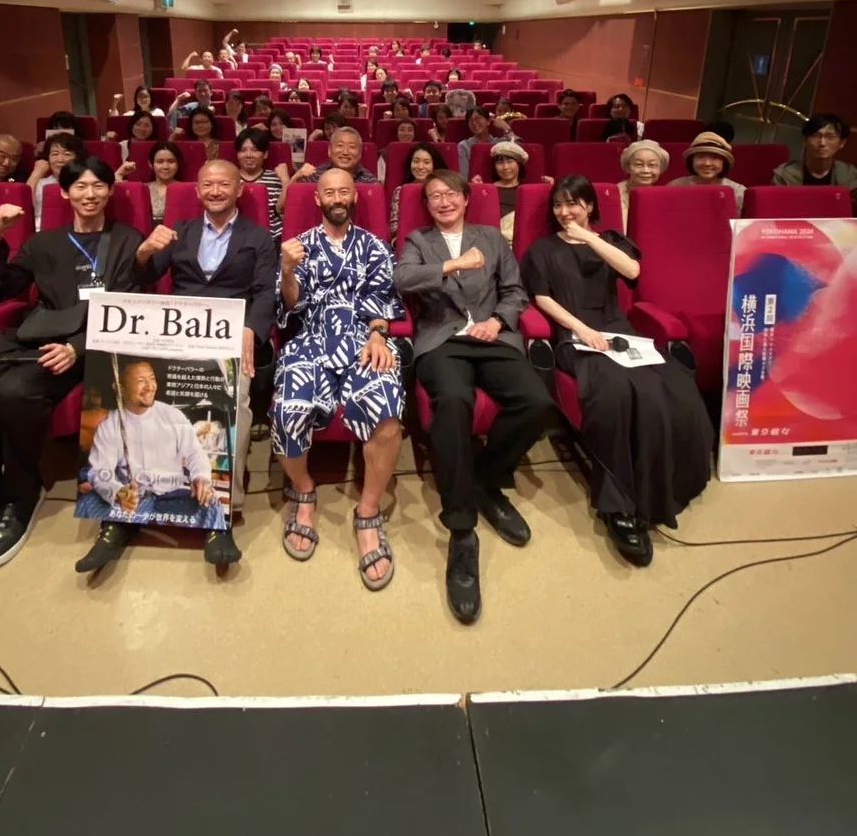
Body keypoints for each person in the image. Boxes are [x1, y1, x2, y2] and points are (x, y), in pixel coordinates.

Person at [0, 158, 144, 577]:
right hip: (35, 336)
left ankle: (21, 496)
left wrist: (76, 349)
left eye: (98, 186)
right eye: (79, 186)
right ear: (64, 193)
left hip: (88, 344)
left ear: (110, 191)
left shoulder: (126, 239)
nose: (89, 194)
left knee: (14, 392)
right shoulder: (43, 242)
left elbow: (128, 308)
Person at [81, 161, 278, 572]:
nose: (215, 190)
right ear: (198, 190)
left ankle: (220, 515)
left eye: (224, 184)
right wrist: (144, 251)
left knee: (236, 404)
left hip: (227, 336)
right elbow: (144, 275)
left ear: (239, 189)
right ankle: (116, 520)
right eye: (208, 184)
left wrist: (251, 330)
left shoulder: (258, 237)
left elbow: (264, 294)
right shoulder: (180, 231)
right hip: (175, 334)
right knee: (127, 404)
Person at [521, 175, 713, 567]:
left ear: (590, 205)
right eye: (558, 204)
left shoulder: (608, 240)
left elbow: (632, 271)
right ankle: (619, 504)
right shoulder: (542, 248)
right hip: (574, 335)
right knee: (614, 393)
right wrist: (582, 330)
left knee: (672, 387)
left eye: (573, 203)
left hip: (620, 331)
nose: (564, 211)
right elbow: (541, 297)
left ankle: (660, 483)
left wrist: (588, 237)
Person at [394, 169, 554, 624]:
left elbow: (515, 291)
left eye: (451, 194)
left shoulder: (491, 237)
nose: (443, 202)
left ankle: (485, 478)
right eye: (434, 197)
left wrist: (497, 322)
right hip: (442, 340)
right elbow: (402, 279)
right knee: (454, 402)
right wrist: (452, 265)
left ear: (466, 198)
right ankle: (462, 529)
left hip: (493, 336)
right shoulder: (419, 240)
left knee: (537, 403)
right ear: (427, 205)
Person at [273, 170, 405, 590]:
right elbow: (290, 306)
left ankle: (367, 512)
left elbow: (382, 301)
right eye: (328, 192)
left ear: (354, 197)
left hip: (362, 340)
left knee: (387, 412)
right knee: (287, 411)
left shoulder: (375, 246)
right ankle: (304, 489)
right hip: (310, 339)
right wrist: (288, 271)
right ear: (317, 199)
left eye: (343, 191)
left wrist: (378, 335)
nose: (336, 198)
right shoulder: (298, 246)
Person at [83, 359, 218, 522]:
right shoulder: (110, 425)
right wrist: (118, 492)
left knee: (210, 505)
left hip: (172, 495)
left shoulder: (173, 416)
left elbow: (195, 453)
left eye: (152, 379)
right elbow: (100, 470)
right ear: (119, 387)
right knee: (88, 503)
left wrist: (200, 477)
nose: (149, 386)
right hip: (134, 498)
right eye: (141, 381)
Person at [285, 128, 377, 211]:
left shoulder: (370, 183)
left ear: (360, 153)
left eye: (352, 147)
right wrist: (294, 178)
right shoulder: (315, 175)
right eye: (340, 145)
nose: (345, 152)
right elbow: (285, 207)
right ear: (329, 151)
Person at [772, 114, 857, 203]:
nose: (822, 143)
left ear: (842, 143)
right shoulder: (785, 174)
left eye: (830, 137)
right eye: (816, 135)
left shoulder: (849, 175)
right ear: (805, 139)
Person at [235, 127, 289, 242]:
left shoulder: (276, 178)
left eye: (255, 150)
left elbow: (284, 212)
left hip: (272, 240)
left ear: (265, 154)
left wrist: (285, 181)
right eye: (243, 150)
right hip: (236, 241)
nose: (248, 155)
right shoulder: (228, 179)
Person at [669, 131, 745, 212]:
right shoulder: (675, 186)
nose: (707, 163)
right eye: (700, 157)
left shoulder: (738, 191)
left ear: (724, 162)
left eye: (714, 157)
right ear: (691, 161)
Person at [470, 141, 530, 242]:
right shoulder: (487, 190)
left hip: (518, 239)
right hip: (492, 240)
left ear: (519, 164)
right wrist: (478, 191)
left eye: (510, 161)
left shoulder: (527, 191)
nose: (505, 167)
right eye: (500, 163)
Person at [390, 141, 448, 238]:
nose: (420, 167)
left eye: (426, 162)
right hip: (409, 240)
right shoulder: (400, 191)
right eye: (416, 161)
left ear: (434, 165)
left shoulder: (445, 190)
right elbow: (394, 228)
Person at [27, 132, 84, 229]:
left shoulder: (85, 182)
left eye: (67, 154)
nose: (60, 160)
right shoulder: (40, 183)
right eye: (54, 154)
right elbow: (24, 209)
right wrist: (36, 175)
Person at [616, 140, 669, 229]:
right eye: (639, 164)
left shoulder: (664, 197)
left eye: (652, 165)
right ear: (628, 167)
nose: (646, 170)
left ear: (660, 169)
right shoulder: (614, 194)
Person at [146, 141, 182, 227]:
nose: (165, 167)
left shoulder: (187, 190)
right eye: (160, 162)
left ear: (178, 164)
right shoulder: (143, 189)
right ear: (151, 164)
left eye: (171, 161)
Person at [458, 106, 497, 177]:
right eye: (470, 120)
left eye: (478, 118)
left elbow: (518, 147)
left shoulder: (498, 142)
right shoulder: (464, 145)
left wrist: (506, 128)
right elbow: (464, 175)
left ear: (488, 121)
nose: (474, 123)